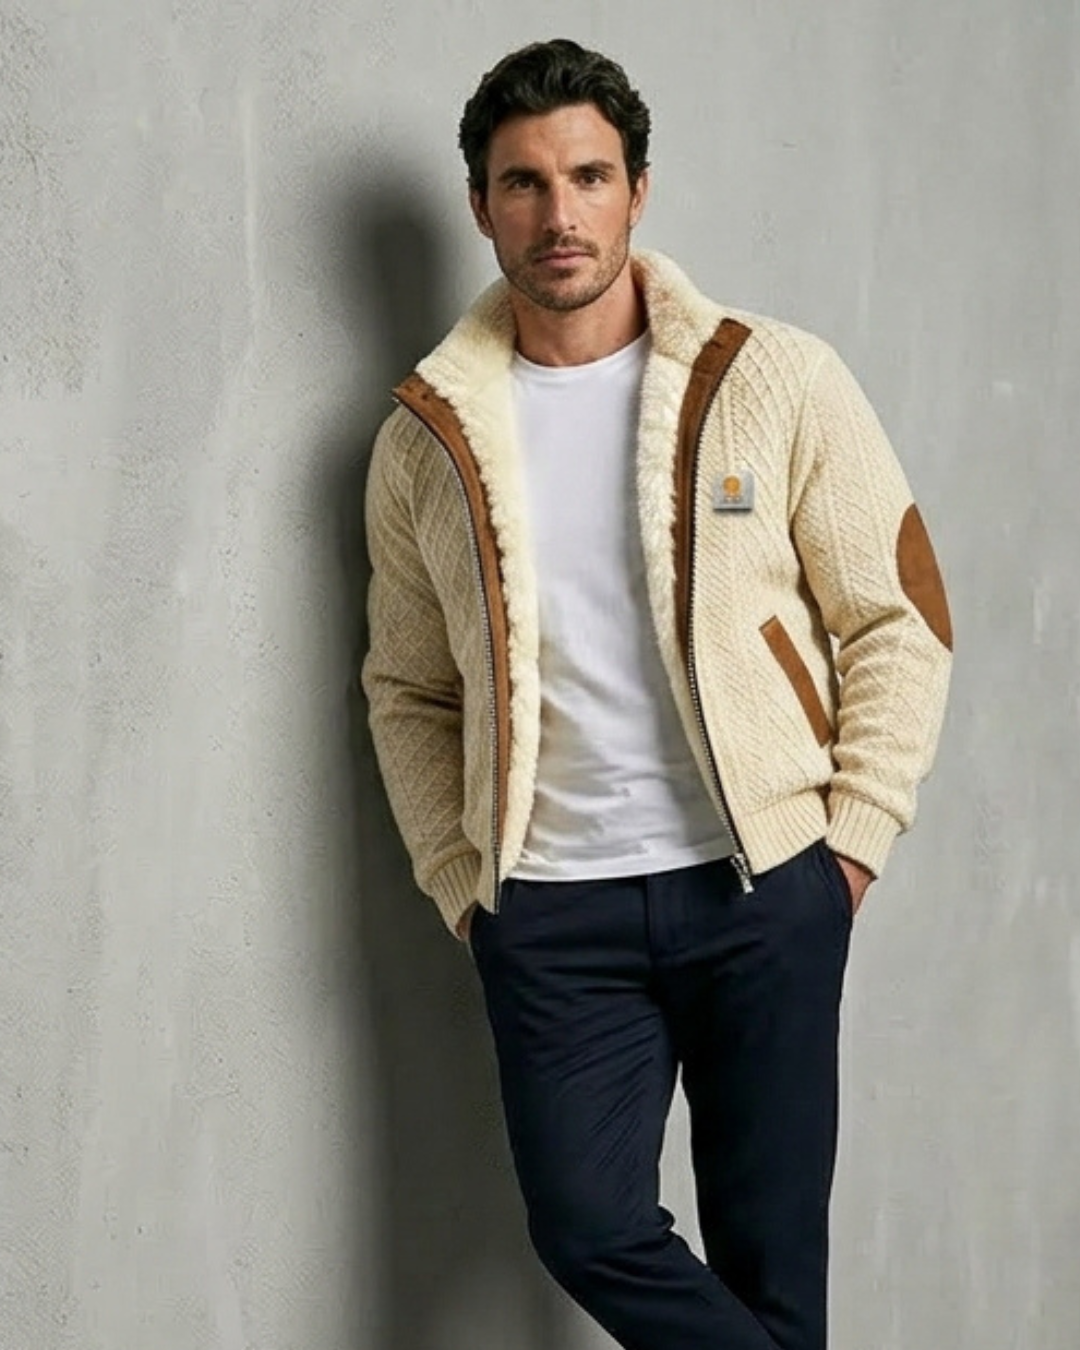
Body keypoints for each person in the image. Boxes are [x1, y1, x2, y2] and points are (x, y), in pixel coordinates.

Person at [361, 37, 952, 1350]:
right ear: (480, 206)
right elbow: (406, 687)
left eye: (587, 176)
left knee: (772, 1270)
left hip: (762, 894)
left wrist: (851, 846)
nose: (558, 214)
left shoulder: (772, 379)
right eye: (523, 183)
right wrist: (461, 879)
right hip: (551, 907)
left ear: (637, 189)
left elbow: (899, 614)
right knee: (589, 1225)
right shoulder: (426, 439)